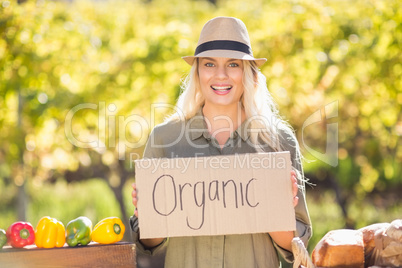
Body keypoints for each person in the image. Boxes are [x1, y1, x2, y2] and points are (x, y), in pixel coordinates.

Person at [130, 16, 312, 268]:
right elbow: (148, 243)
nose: (221, 75)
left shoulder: (278, 141)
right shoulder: (165, 138)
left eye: (233, 64)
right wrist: (151, 212)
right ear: (198, 72)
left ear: (248, 72)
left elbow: (294, 248)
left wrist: (277, 208)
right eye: (209, 64)